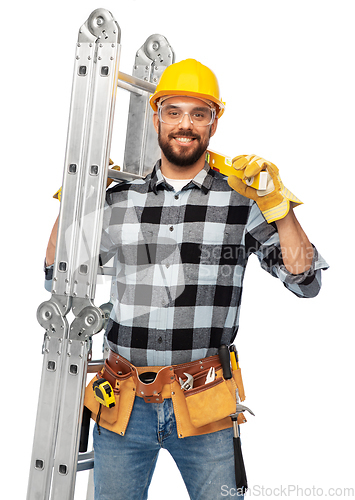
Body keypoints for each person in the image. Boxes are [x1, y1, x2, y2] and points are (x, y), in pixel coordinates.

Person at [45, 58, 328, 499]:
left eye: (199, 114)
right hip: (122, 403)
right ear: (156, 116)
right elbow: (55, 274)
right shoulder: (120, 200)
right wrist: (80, 192)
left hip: (205, 404)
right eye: (174, 111)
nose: (185, 124)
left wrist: (278, 204)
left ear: (214, 123)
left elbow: (305, 279)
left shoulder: (241, 199)